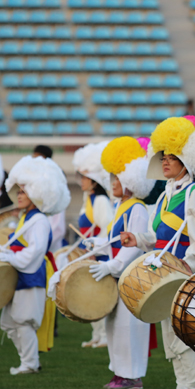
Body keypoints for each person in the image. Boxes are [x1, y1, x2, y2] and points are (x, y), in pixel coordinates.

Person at [120, 116, 195, 389]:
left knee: (183, 330)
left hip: (183, 273)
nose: (165, 162)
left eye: (172, 157)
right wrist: (136, 240)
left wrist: (187, 267)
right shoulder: (166, 193)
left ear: (187, 160)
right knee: (169, 332)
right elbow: (154, 235)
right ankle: (185, 388)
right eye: (163, 156)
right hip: (165, 273)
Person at [86, 137, 156, 389]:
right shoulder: (121, 205)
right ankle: (119, 372)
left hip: (130, 276)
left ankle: (132, 376)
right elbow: (113, 238)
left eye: (117, 177)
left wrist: (112, 265)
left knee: (129, 326)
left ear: (129, 181)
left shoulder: (136, 208)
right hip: (117, 274)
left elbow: (133, 245)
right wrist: (97, 244)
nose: (112, 182)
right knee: (114, 324)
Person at [0, 156, 70, 375]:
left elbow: (36, 250)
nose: (19, 196)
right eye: (18, 191)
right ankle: (29, 360)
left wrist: (12, 258)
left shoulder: (39, 220)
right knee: (9, 323)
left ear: (37, 194)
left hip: (31, 272)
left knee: (23, 320)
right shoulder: (27, 217)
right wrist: (7, 254)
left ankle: (29, 363)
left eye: (24, 192)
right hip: (19, 271)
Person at [72, 142, 114, 348]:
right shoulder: (88, 200)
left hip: (101, 255)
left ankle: (105, 336)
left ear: (95, 181)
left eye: (85, 177)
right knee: (92, 294)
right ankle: (97, 335)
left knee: (100, 295)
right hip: (92, 253)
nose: (82, 181)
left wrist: (95, 251)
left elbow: (107, 229)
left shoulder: (100, 201)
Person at [32, 145, 67, 252]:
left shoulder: (54, 187)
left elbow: (58, 228)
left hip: (49, 248)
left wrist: (41, 245)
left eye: (36, 157)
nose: (33, 161)